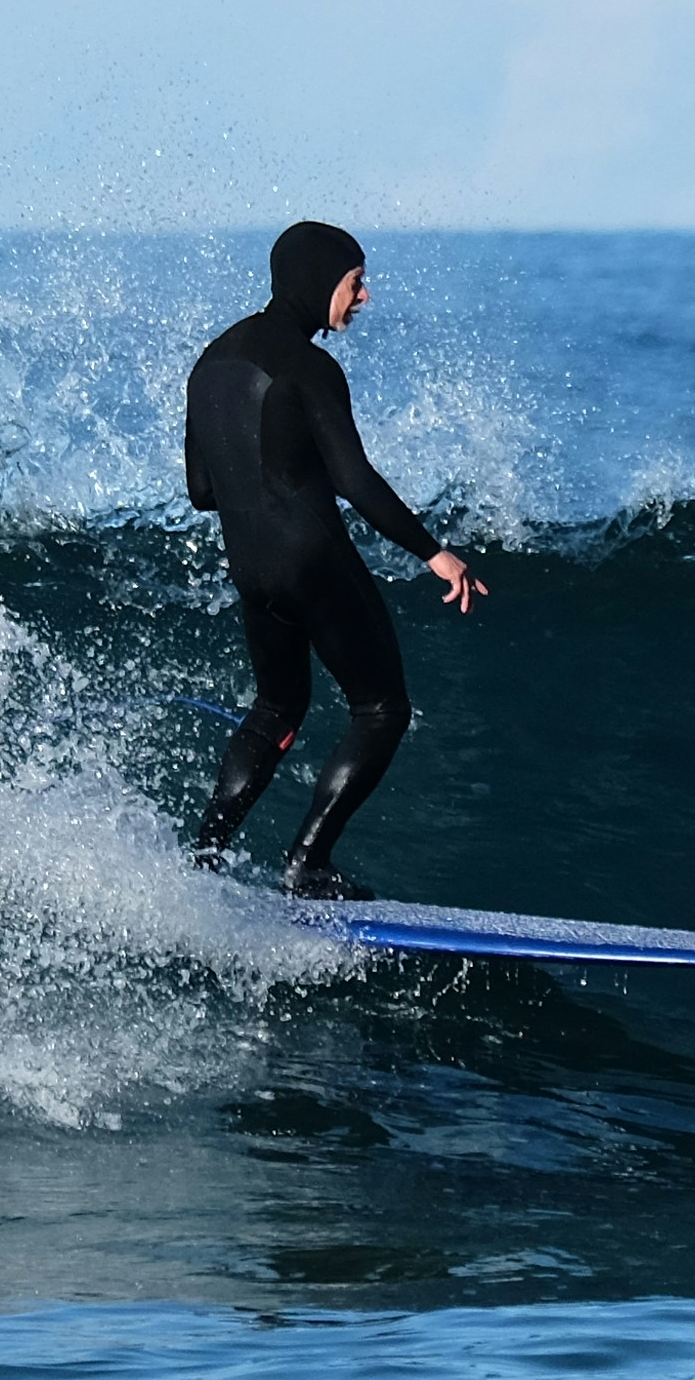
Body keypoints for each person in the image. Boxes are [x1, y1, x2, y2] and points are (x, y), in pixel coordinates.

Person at [183, 219, 485, 898]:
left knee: (277, 707)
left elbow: (201, 490)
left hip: (251, 569)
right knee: (381, 709)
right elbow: (355, 481)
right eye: (354, 282)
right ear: (318, 282)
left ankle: (203, 856)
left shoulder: (211, 362)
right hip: (311, 559)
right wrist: (435, 554)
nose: (363, 297)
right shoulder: (309, 367)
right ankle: (307, 862)